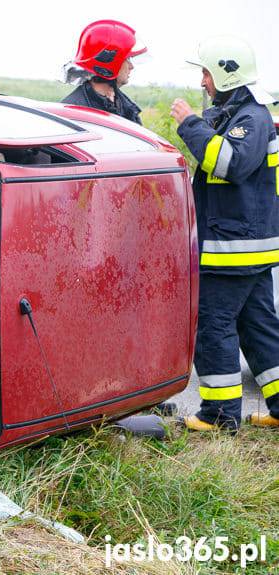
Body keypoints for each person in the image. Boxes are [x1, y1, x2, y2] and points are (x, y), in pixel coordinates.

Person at [170, 35, 279, 431]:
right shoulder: (246, 115)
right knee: (260, 328)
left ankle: (219, 416)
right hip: (247, 249)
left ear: (225, 74)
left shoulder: (251, 118)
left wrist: (190, 125)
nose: (202, 82)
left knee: (213, 326)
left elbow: (231, 164)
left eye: (206, 73)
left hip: (233, 251)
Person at [61, 20, 146, 124]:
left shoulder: (126, 108)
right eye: (127, 59)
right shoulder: (74, 112)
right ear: (111, 62)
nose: (131, 66)